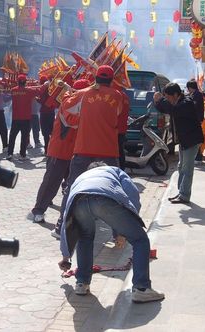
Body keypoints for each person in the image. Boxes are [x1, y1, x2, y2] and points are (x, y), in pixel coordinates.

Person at [58, 162, 165, 303]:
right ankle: (142, 289)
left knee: (85, 237)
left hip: (79, 202)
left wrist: (66, 256)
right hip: (104, 199)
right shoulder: (114, 171)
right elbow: (131, 195)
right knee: (140, 240)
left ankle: (81, 283)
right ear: (103, 166)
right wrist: (124, 231)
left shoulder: (81, 177)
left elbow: (67, 220)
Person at [51, 65, 123, 238]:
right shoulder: (118, 96)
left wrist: (69, 93)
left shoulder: (83, 94)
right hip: (108, 150)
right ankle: (118, 233)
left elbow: (66, 108)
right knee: (114, 190)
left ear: (96, 78)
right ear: (111, 80)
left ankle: (62, 228)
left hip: (84, 149)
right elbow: (118, 114)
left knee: (73, 188)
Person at [31, 79, 90, 223]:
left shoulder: (79, 102)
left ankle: (73, 213)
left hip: (75, 152)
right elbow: (74, 121)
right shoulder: (69, 102)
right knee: (51, 182)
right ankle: (38, 210)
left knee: (74, 185)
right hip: (60, 150)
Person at [154, 83, 203, 204]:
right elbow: (164, 108)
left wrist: (161, 100)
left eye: (168, 97)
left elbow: (173, 110)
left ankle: (185, 195)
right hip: (184, 140)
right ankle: (181, 192)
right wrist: (157, 101)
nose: (168, 100)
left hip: (191, 140)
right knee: (181, 167)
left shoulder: (186, 103)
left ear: (176, 94)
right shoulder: (176, 103)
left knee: (187, 168)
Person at [7, 74, 41, 160]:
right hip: (26, 118)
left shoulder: (13, 90)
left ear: (17, 82)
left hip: (15, 118)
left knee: (12, 136)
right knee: (24, 137)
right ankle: (22, 155)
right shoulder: (29, 91)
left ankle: (10, 154)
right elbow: (39, 91)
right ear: (25, 82)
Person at [186, 79, 204, 163]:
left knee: (196, 139)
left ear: (190, 87)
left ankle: (198, 157)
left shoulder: (197, 95)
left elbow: (196, 108)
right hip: (194, 120)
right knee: (194, 139)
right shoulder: (193, 94)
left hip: (196, 120)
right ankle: (196, 157)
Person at [38, 75, 56, 151]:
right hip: (51, 112)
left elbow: (41, 100)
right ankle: (52, 149)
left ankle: (47, 149)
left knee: (45, 133)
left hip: (44, 113)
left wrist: (37, 99)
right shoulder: (55, 89)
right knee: (51, 132)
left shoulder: (42, 88)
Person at [117, 86, 130, 170]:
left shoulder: (114, 95)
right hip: (122, 130)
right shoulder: (124, 96)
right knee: (120, 151)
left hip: (113, 130)